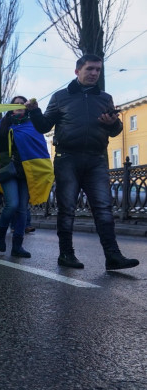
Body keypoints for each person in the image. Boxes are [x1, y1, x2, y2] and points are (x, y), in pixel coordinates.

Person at [26, 54, 139, 270]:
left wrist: (111, 123)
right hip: (67, 158)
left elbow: (116, 130)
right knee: (67, 209)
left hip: (96, 159)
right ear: (78, 71)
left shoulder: (105, 98)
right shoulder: (61, 97)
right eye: (90, 69)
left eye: (98, 70)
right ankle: (66, 255)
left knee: (104, 209)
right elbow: (44, 127)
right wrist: (34, 112)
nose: (94, 73)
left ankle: (113, 256)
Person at [0, 95, 49, 258]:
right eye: (16, 104)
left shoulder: (32, 126)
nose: (19, 106)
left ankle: (17, 246)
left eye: (22, 104)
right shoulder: (3, 126)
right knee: (12, 204)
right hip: (7, 171)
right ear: (10, 107)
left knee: (22, 209)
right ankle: (0, 234)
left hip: (25, 172)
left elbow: (40, 147)